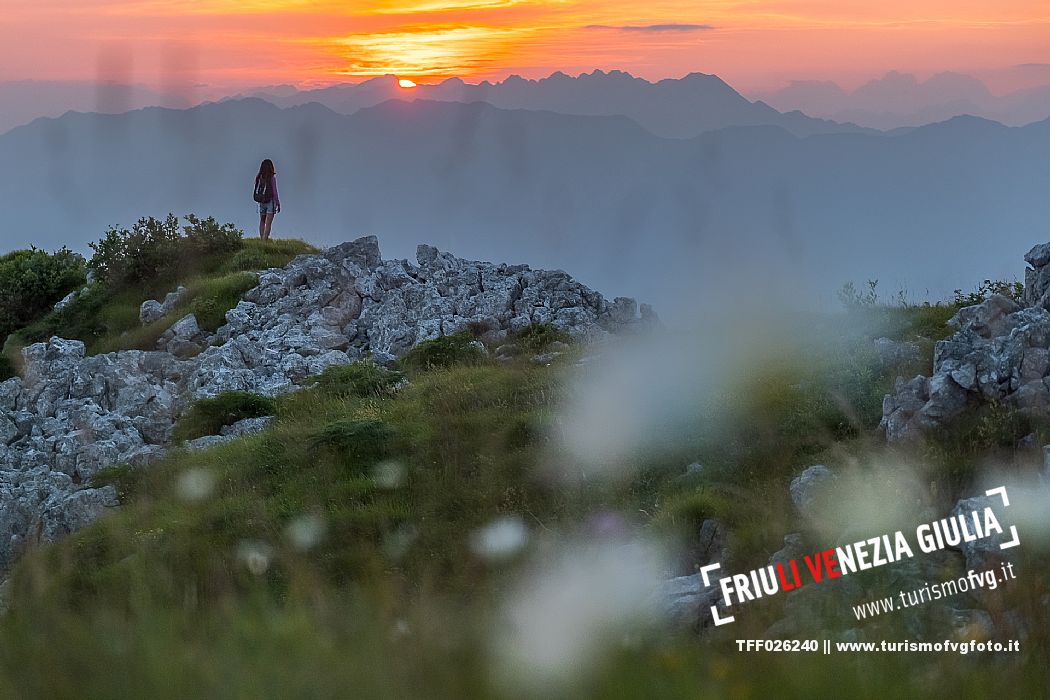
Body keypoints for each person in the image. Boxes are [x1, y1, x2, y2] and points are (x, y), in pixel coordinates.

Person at [253, 158, 281, 240]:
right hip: (270, 202)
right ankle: (264, 241)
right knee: (268, 223)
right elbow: (275, 192)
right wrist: (278, 203)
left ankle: (261, 238)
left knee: (262, 221)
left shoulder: (259, 177)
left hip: (261, 201)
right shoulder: (272, 178)